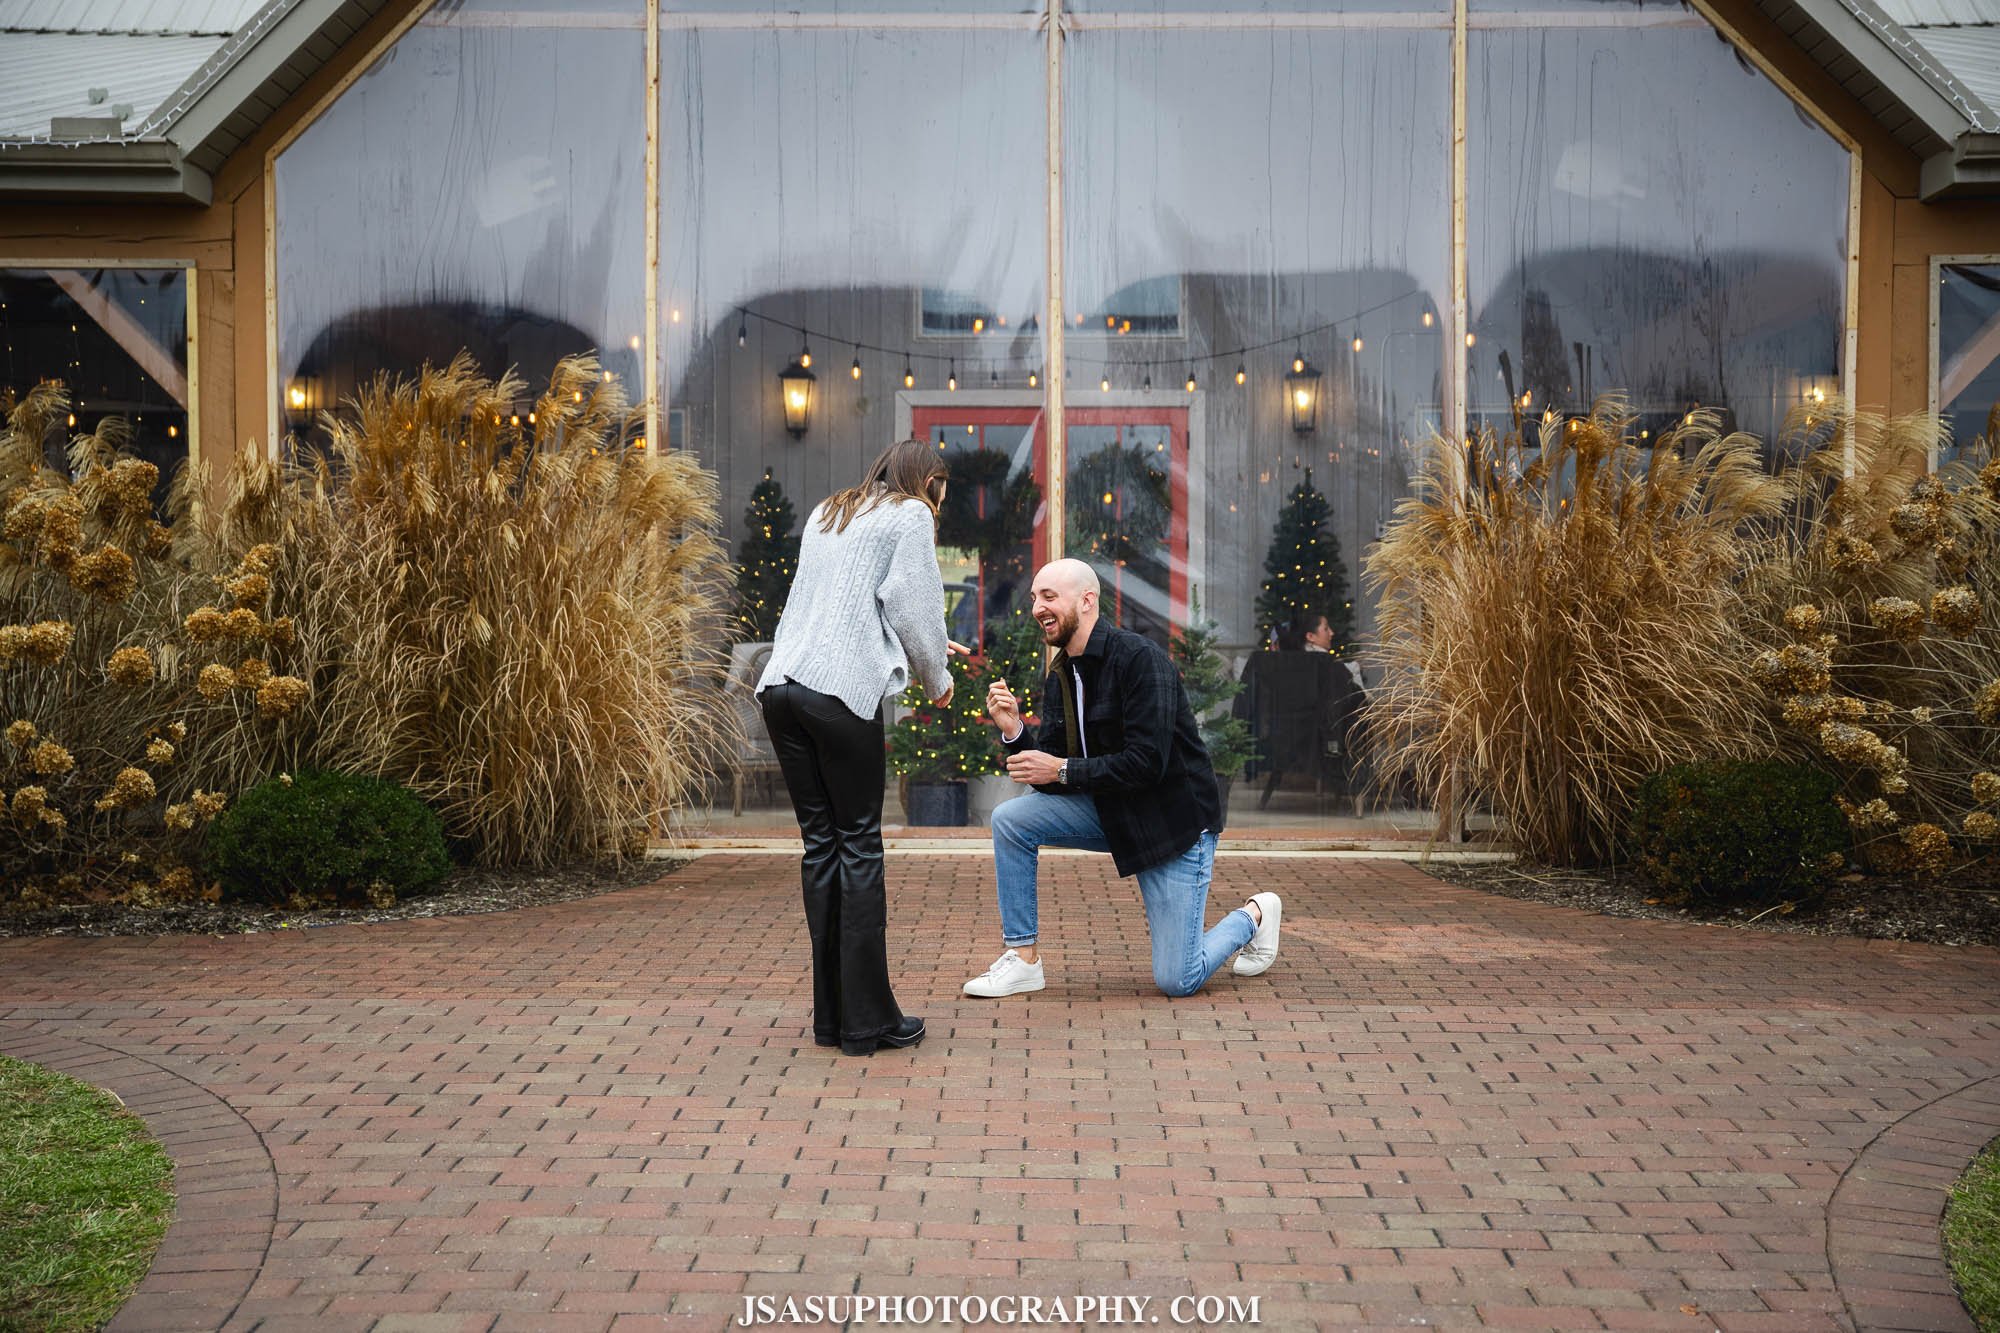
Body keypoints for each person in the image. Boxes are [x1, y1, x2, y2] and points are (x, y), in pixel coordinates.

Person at [962, 559, 1284, 999]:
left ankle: (1255, 915)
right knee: (1011, 820)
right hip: (1111, 811)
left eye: (1049, 596)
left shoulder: (1141, 660)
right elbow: (1052, 776)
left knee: (1178, 979)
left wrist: (1059, 768)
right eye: (1035, 597)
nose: (1036, 607)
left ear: (1087, 601)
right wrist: (1014, 731)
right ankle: (1023, 960)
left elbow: (1146, 763)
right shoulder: (1062, 671)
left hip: (1171, 824)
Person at [757, 439, 963, 1056]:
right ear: (925, 482)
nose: (938, 509)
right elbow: (912, 602)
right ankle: (868, 1023)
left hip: (783, 689)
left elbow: (829, 607)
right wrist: (938, 680)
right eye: (940, 496)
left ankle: (833, 1019)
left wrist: (921, 645)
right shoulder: (910, 514)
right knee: (861, 848)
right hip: (838, 695)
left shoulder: (831, 512)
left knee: (822, 847)